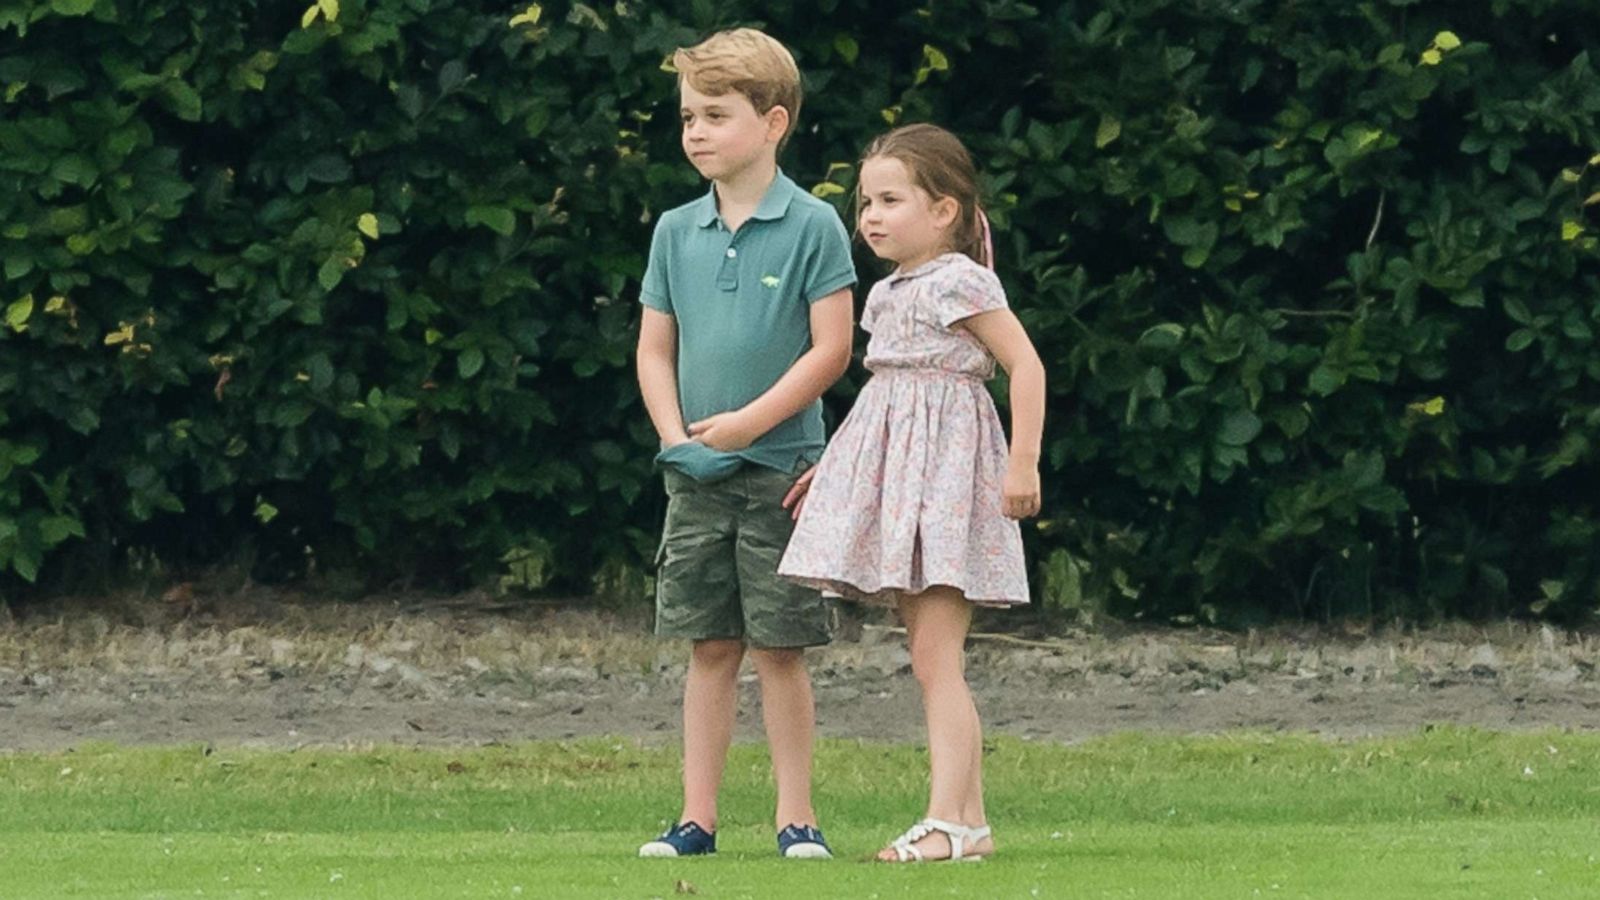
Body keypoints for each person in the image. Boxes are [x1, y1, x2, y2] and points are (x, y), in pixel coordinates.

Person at [777, 122, 1046, 863]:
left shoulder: (961, 281)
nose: (870, 216)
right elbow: (883, 406)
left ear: (945, 211)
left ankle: (947, 823)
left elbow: (1025, 366)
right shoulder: (892, 290)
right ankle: (972, 823)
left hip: (948, 485)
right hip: (905, 485)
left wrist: (1021, 462)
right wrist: (834, 473)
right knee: (931, 656)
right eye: (866, 202)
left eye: (891, 200)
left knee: (936, 659)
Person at [633, 28, 857, 860]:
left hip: (783, 473)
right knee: (710, 645)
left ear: (773, 122)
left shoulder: (815, 225)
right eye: (688, 116)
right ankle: (697, 821)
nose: (695, 132)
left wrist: (748, 426)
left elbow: (830, 350)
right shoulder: (673, 230)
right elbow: (655, 348)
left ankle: (797, 820)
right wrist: (675, 439)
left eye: (715, 115)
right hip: (693, 476)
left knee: (780, 648)